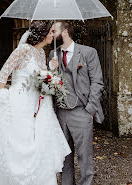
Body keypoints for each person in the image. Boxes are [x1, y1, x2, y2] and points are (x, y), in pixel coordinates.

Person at [0, 20, 71, 185]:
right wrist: (1, 98)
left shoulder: (41, 53)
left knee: (39, 144)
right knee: (17, 145)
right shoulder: (22, 50)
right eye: (51, 31)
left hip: (39, 105)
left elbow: (39, 78)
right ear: (42, 34)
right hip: (19, 104)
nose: (53, 34)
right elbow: (3, 73)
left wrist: (51, 70)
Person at [49, 21, 104, 185]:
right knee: (64, 156)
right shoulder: (53, 54)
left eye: (55, 30)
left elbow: (97, 82)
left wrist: (90, 109)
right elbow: (51, 84)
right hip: (60, 113)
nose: (52, 34)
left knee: (84, 156)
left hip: (81, 111)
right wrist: (52, 70)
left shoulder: (88, 52)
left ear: (65, 32)